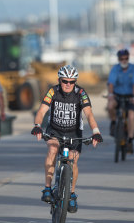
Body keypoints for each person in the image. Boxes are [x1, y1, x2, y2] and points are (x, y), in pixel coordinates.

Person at [31, 65, 103, 213]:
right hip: (55, 130)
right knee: (52, 149)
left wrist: (96, 131)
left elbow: (89, 114)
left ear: (75, 82)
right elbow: (42, 110)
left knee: (73, 159)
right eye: (65, 81)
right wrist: (37, 125)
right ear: (59, 80)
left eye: (72, 82)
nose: (68, 85)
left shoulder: (81, 93)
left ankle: (71, 194)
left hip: (74, 132)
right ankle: (47, 188)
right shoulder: (53, 91)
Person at [107, 48, 134, 153]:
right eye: (122, 58)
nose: (124, 60)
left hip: (131, 95)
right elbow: (111, 83)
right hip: (117, 95)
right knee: (110, 106)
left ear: (128, 58)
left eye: (126, 58)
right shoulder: (115, 69)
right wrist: (111, 94)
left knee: (131, 115)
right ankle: (113, 123)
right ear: (118, 59)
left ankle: (130, 140)